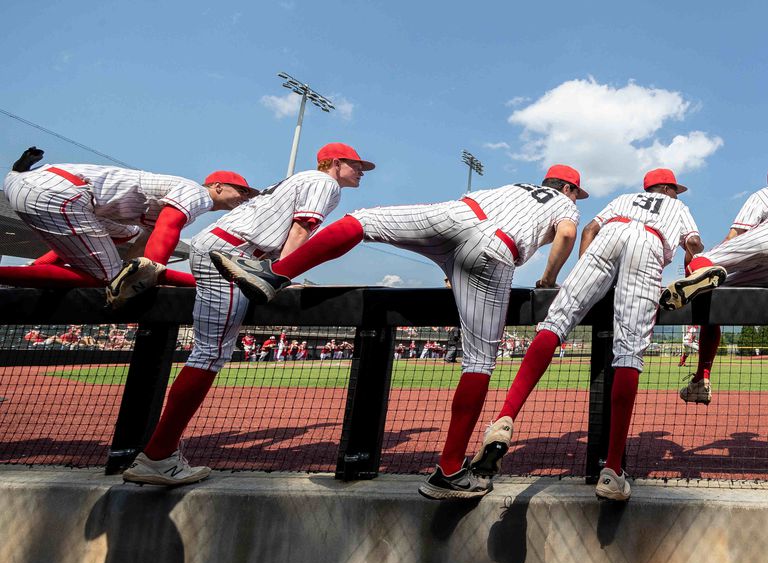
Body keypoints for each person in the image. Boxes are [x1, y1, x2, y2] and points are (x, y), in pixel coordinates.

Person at [211, 164, 586, 499]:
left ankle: (276, 274)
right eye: (577, 191)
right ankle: (450, 470)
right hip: (493, 250)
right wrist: (547, 279)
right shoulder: (564, 202)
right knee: (478, 362)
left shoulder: (509, 187)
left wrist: (452, 270)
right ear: (568, 188)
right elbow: (567, 234)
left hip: (453, 215)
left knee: (360, 223)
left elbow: (462, 233)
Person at [120, 142, 372, 486]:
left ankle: (159, 453)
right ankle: (158, 457)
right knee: (209, 354)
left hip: (228, 251)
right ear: (337, 163)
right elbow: (301, 229)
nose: (361, 172)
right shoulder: (324, 182)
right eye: (357, 165)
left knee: (209, 353)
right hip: (231, 256)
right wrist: (283, 276)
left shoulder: (298, 181)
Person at [474, 168, 703, 501]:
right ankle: (611, 470)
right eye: (675, 190)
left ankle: (504, 418)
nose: (677, 194)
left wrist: (588, 269)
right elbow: (693, 243)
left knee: (555, 323)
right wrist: (692, 254)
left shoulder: (624, 198)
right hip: (648, 244)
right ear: (667, 188)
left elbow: (591, 228)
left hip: (608, 238)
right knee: (628, 353)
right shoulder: (677, 208)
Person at [661, 162, 768, 405]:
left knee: (702, 261)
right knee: (713, 296)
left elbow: (735, 235)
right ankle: (701, 380)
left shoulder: (765, 193)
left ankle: (695, 276)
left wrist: (719, 256)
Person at [1, 147, 257, 305]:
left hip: (34, 181)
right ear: (218, 186)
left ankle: (36, 269)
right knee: (107, 277)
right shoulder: (197, 193)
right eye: (243, 191)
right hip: (58, 192)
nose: (246, 197)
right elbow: (169, 226)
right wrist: (151, 272)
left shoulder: (180, 196)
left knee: (127, 234)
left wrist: (140, 271)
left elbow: (140, 250)